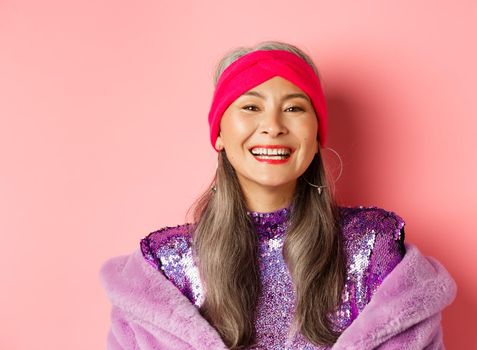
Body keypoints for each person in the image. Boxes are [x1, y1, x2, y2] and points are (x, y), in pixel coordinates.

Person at [99, 41, 457, 350]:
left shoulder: (373, 245)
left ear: (316, 135)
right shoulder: (163, 268)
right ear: (220, 133)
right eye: (251, 107)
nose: (273, 125)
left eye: (294, 108)